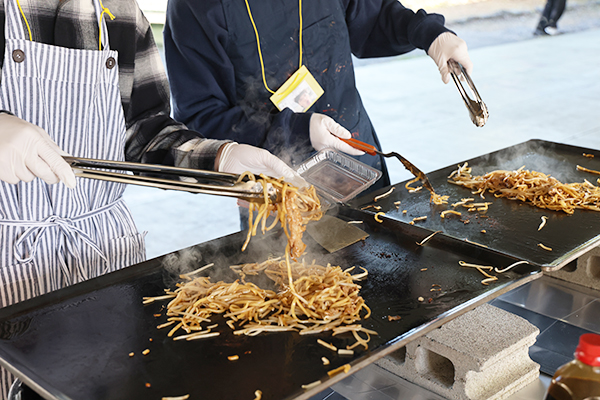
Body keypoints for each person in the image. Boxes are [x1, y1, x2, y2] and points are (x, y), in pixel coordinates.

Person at [0, 0, 303, 397]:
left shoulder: (119, 12)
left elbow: (144, 130)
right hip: (8, 258)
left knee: (112, 380)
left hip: (102, 256)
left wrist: (219, 158)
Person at [163, 0, 474, 196]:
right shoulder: (194, 7)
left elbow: (372, 18)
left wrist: (428, 34)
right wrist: (295, 130)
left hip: (356, 155)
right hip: (275, 184)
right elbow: (201, 118)